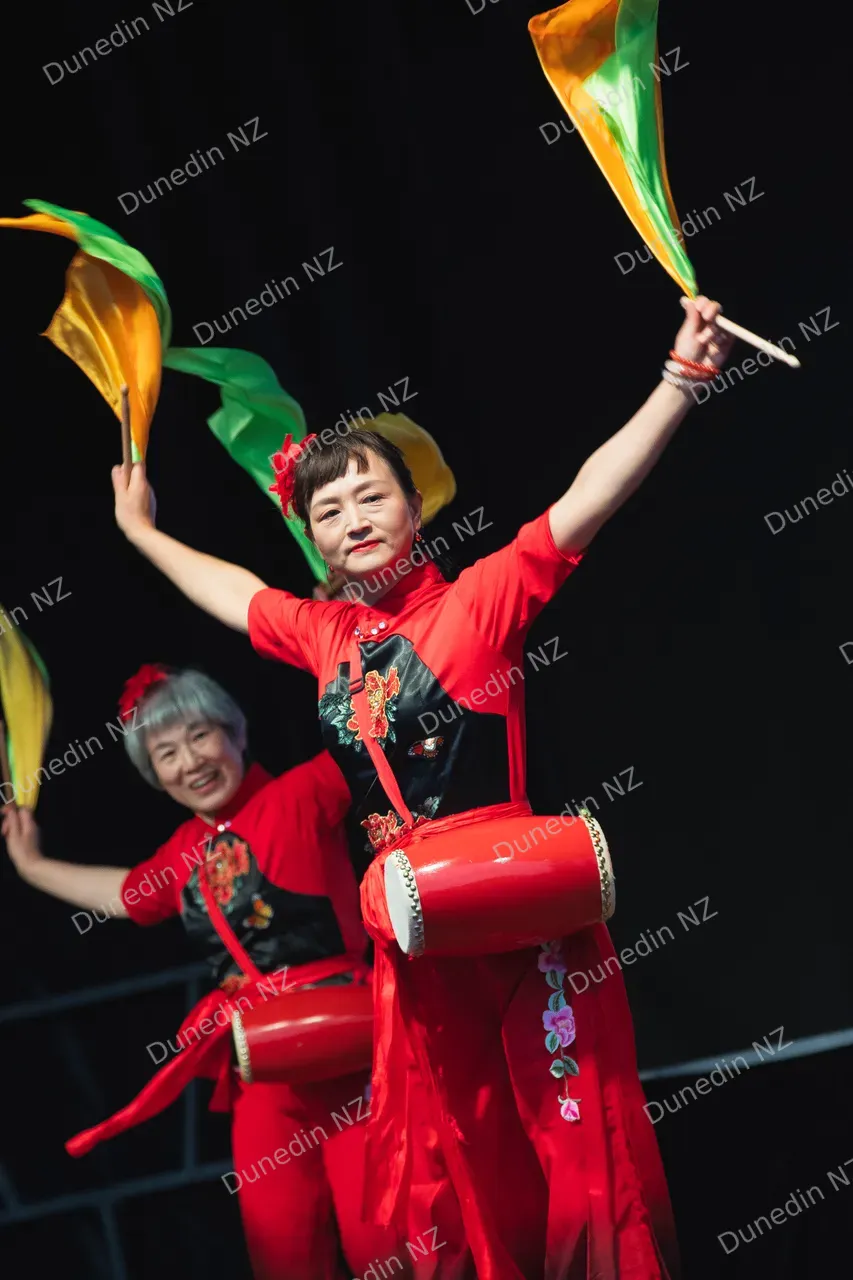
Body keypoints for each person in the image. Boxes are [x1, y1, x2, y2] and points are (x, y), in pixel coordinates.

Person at [110, 298, 734, 1278]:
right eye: (328, 512)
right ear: (314, 539)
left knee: (574, 1145)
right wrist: (140, 532)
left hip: (516, 912)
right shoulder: (325, 636)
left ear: (416, 503)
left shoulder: (478, 601)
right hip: (416, 935)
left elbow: (588, 497)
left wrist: (678, 381)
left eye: (370, 498)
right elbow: (229, 589)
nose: (352, 521)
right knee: (462, 1164)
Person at [1, 663, 407, 1280]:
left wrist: (349, 640)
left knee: (383, 1244)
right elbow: (129, 894)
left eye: (200, 736)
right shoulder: (183, 852)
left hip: (347, 1045)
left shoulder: (303, 793)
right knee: (283, 1254)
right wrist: (32, 867)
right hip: (261, 1070)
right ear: (154, 777)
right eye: (166, 752)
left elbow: (378, 731)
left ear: (236, 734)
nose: (189, 761)